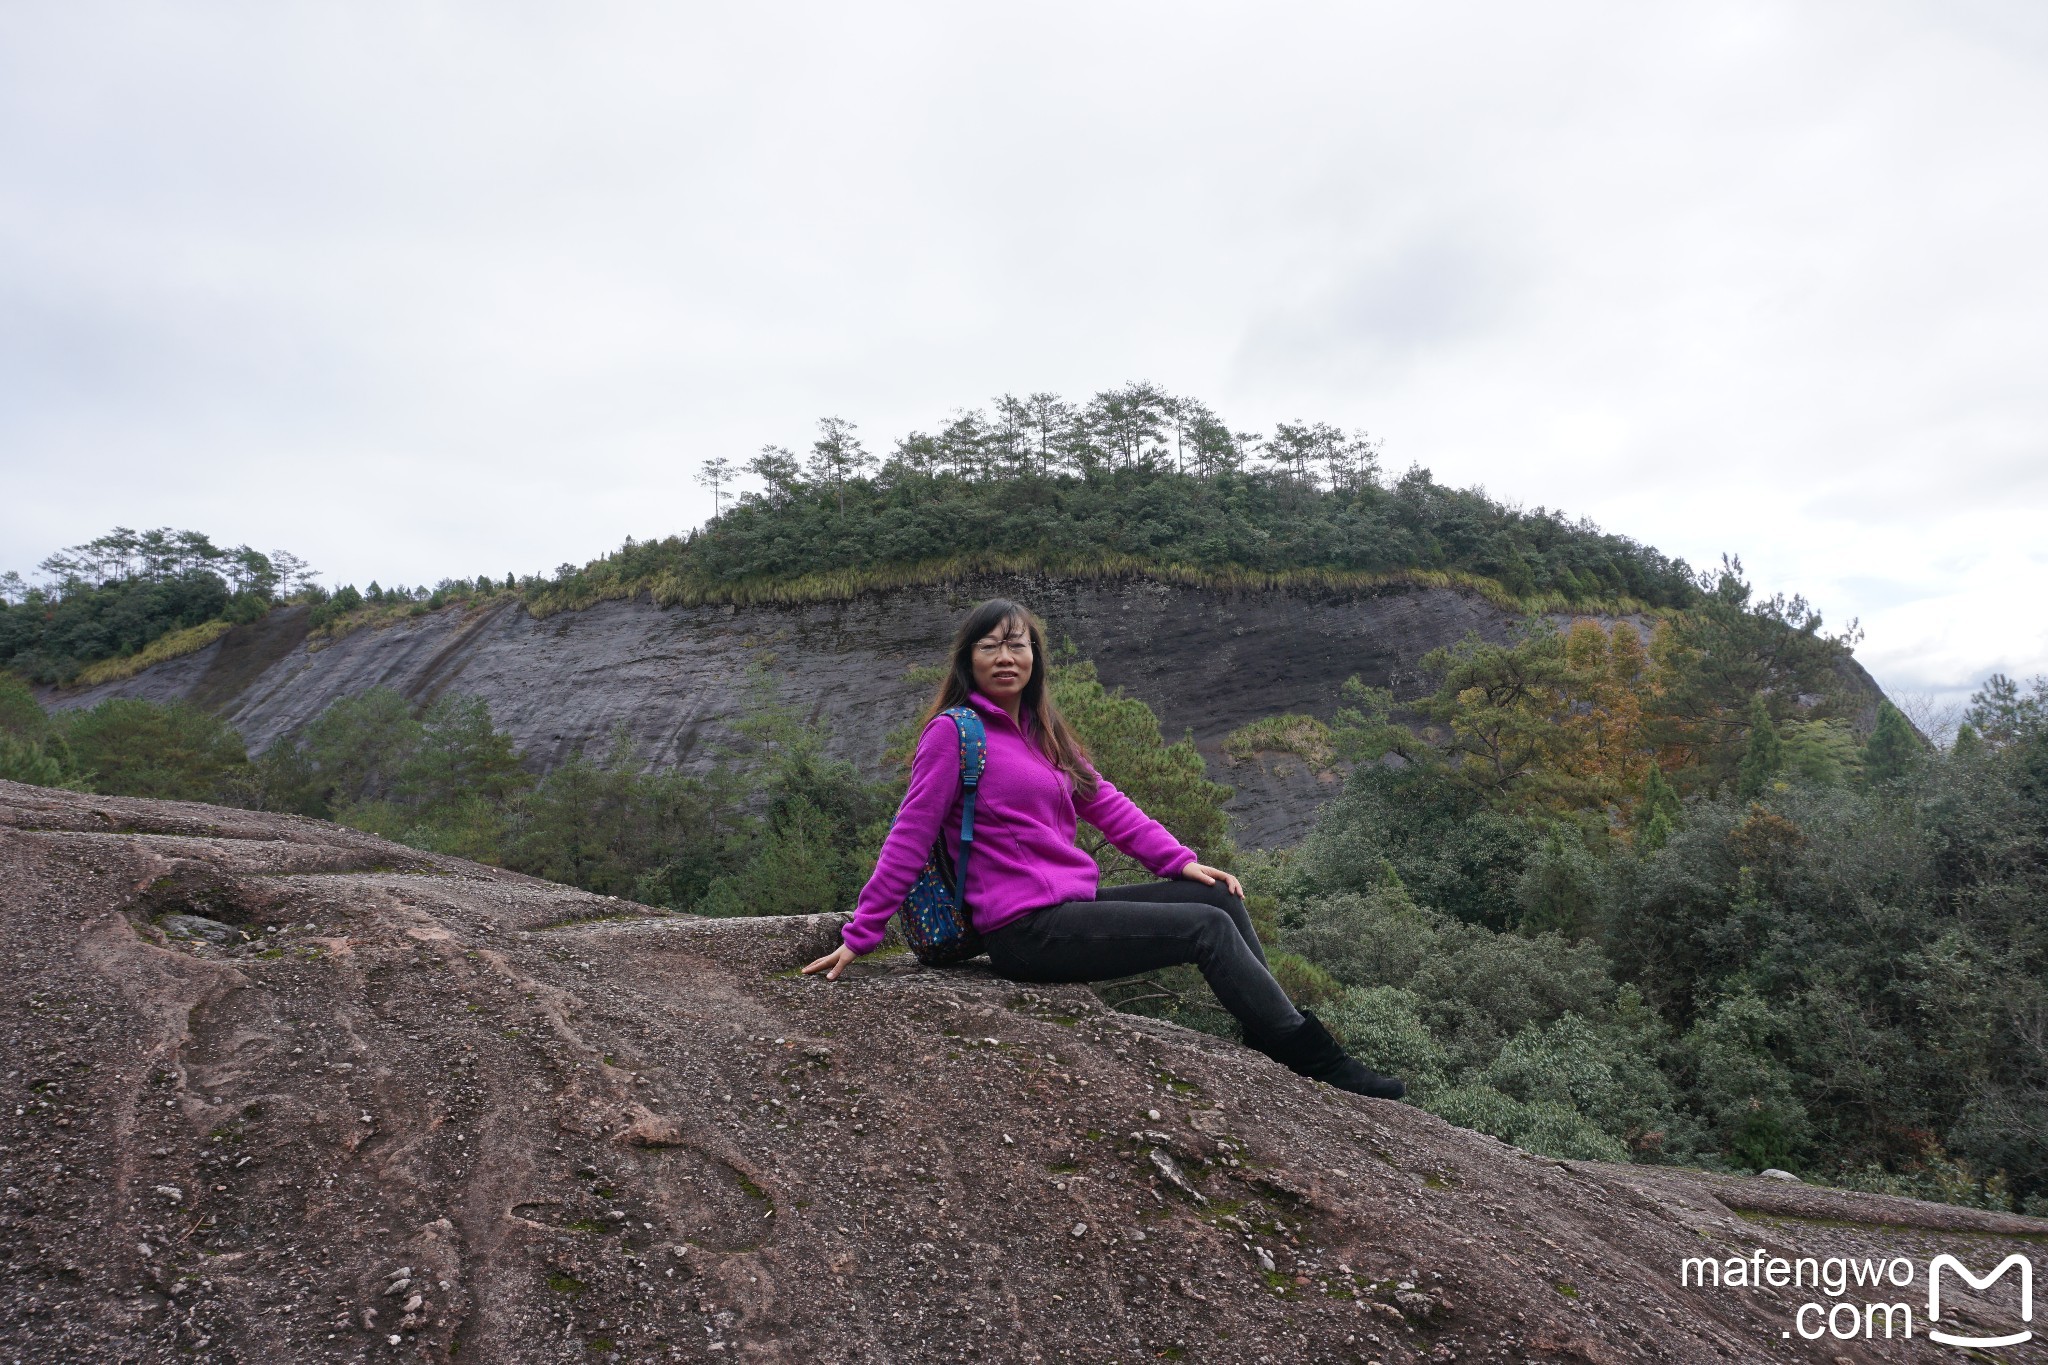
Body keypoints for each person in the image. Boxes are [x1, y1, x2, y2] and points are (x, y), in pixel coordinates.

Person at [802, 597, 1404, 1100]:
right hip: (1024, 930)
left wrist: (1179, 861)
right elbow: (909, 834)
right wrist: (862, 934)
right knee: (1205, 931)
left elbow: (1105, 803)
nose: (1006, 657)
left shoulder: (1044, 733)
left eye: (1018, 645)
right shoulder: (955, 733)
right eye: (990, 646)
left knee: (1216, 898)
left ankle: (1271, 1030)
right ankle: (1315, 1058)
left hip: (1070, 908)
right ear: (969, 660)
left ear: (1035, 658)